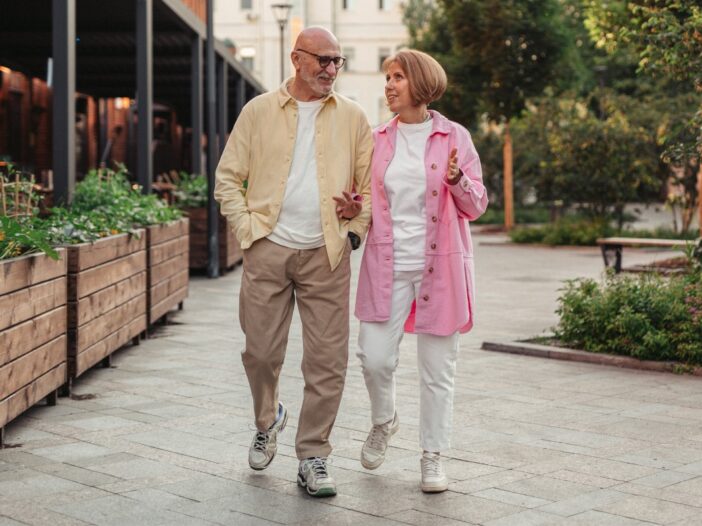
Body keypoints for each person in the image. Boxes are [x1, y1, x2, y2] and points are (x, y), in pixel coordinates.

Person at [214, 27, 372, 497]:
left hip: (327, 253)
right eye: (322, 60)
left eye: (337, 61)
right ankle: (269, 420)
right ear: (296, 59)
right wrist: (248, 232)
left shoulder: (355, 118)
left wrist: (353, 228)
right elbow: (227, 179)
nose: (330, 69)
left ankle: (314, 456)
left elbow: (368, 189)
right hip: (268, 247)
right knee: (260, 352)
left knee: (327, 361)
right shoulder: (258, 112)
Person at [354, 49, 488, 493]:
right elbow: (364, 200)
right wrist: (353, 207)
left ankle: (433, 455)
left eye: (398, 77)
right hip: (386, 266)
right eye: (387, 77)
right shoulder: (377, 139)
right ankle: (384, 420)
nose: (389, 85)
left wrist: (457, 182)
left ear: (422, 84)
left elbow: (477, 206)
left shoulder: (455, 137)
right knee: (374, 359)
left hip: (440, 269)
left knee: (437, 370)